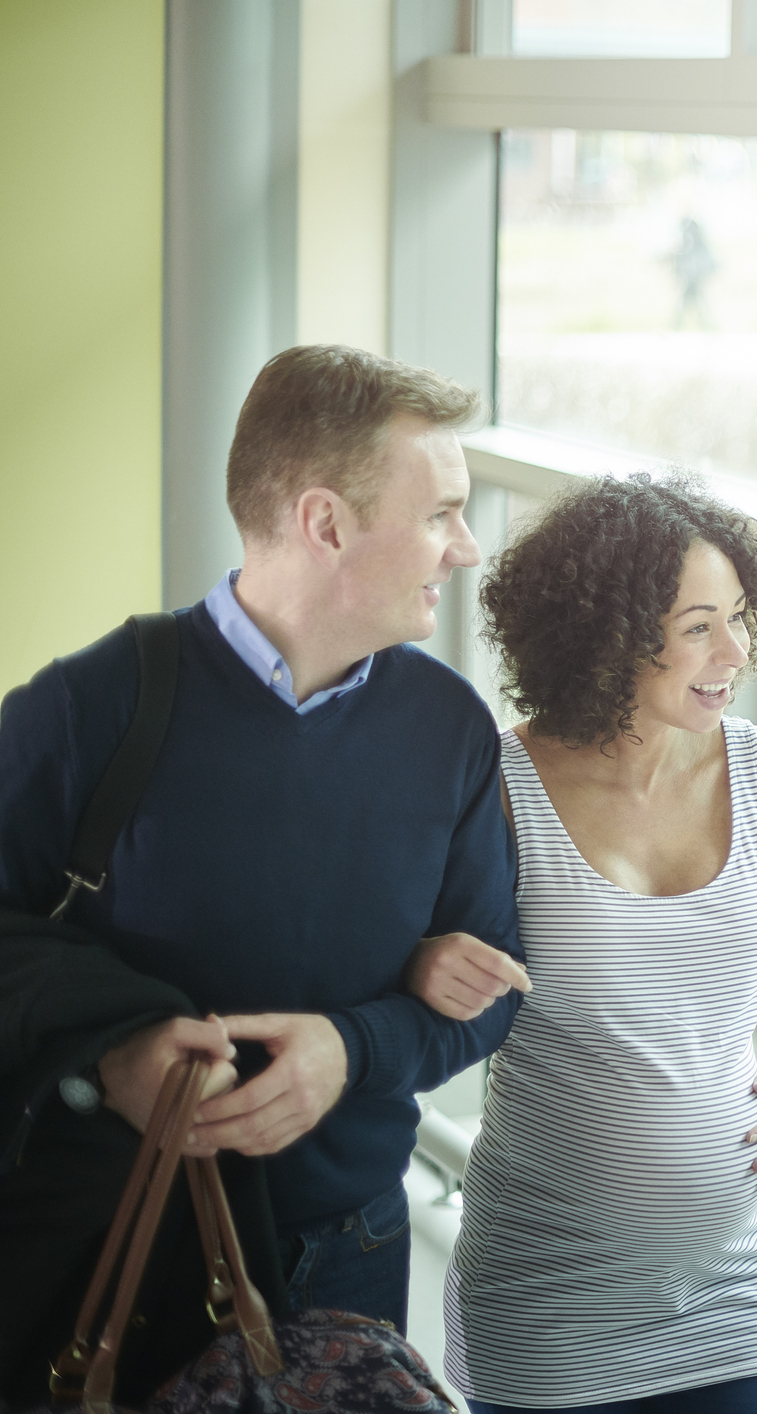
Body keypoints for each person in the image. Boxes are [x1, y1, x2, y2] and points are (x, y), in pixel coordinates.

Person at [0, 344, 529, 1406]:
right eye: (441, 514)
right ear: (326, 522)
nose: (465, 549)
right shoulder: (87, 707)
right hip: (121, 1248)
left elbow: (491, 997)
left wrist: (353, 1045)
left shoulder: (452, 730)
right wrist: (117, 1052)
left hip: (355, 1248)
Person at [412, 473, 757, 1414]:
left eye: (739, 616)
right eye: (697, 627)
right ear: (607, 636)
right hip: (550, 1294)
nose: (736, 651)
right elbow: (396, 952)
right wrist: (421, 961)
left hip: (733, 1278)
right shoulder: (499, 788)